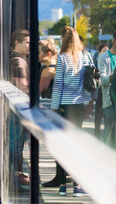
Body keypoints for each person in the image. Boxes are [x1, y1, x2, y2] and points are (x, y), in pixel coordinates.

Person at [49, 26, 92, 197]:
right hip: (79, 107)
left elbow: (58, 86)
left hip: (64, 108)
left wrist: (53, 109)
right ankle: (78, 184)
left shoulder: (62, 59)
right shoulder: (86, 57)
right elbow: (91, 81)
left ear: (64, 40)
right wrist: (90, 102)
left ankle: (62, 185)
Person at [8, 29, 30, 186]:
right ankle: (12, 182)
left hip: (14, 109)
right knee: (15, 147)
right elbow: (22, 85)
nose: (30, 46)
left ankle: (14, 179)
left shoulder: (13, 59)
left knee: (16, 146)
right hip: (18, 110)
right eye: (27, 42)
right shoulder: (18, 61)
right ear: (17, 43)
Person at [98, 31, 116, 149]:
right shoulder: (104, 57)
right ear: (114, 40)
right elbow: (100, 80)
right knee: (109, 138)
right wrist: (113, 77)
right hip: (110, 103)